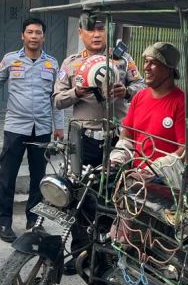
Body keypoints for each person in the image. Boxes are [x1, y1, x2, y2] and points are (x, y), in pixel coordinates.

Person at [0, 18, 64, 242]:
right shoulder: (10, 60)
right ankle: (4, 223)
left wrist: (59, 127)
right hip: (15, 128)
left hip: (42, 128)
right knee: (7, 177)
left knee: (39, 178)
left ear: (43, 37)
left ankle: (34, 221)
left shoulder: (52, 64)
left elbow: (56, 97)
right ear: (22, 36)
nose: (34, 36)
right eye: (30, 32)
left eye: (38, 32)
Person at [54, 10, 145, 167]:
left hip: (119, 137)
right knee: (84, 186)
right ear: (80, 32)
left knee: (118, 184)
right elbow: (57, 101)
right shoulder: (70, 63)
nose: (96, 35)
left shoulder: (122, 58)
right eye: (90, 30)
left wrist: (127, 92)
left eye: (101, 29)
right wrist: (76, 93)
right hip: (85, 139)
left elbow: (142, 87)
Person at [112, 42, 188, 189]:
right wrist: (117, 159)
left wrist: (155, 169)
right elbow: (127, 134)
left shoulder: (185, 105)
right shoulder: (139, 97)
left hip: (172, 180)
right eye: (146, 61)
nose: (146, 67)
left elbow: (186, 150)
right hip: (137, 175)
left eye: (154, 63)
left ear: (169, 69)